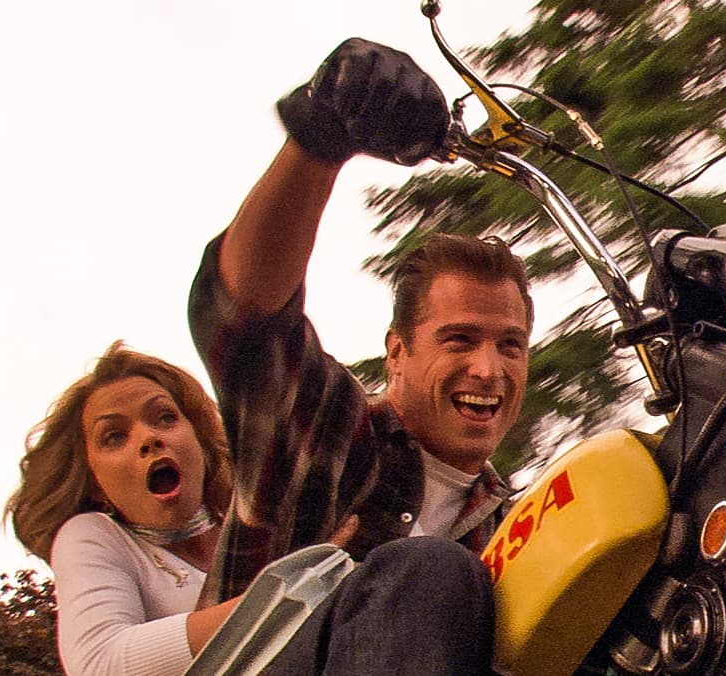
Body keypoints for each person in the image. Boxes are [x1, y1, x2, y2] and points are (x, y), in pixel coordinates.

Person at [186, 36, 533, 673]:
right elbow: (245, 322)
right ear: (397, 352)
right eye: (459, 340)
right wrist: (319, 139)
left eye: (510, 345)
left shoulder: (517, 526)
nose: (489, 370)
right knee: (426, 570)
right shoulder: (331, 433)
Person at [5, 342, 242, 676]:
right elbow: (100, 663)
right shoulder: (93, 536)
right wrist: (278, 603)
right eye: (115, 437)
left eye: (166, 417)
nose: (149, 438)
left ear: (199, 440)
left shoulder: (260, 526)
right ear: (94, 483)